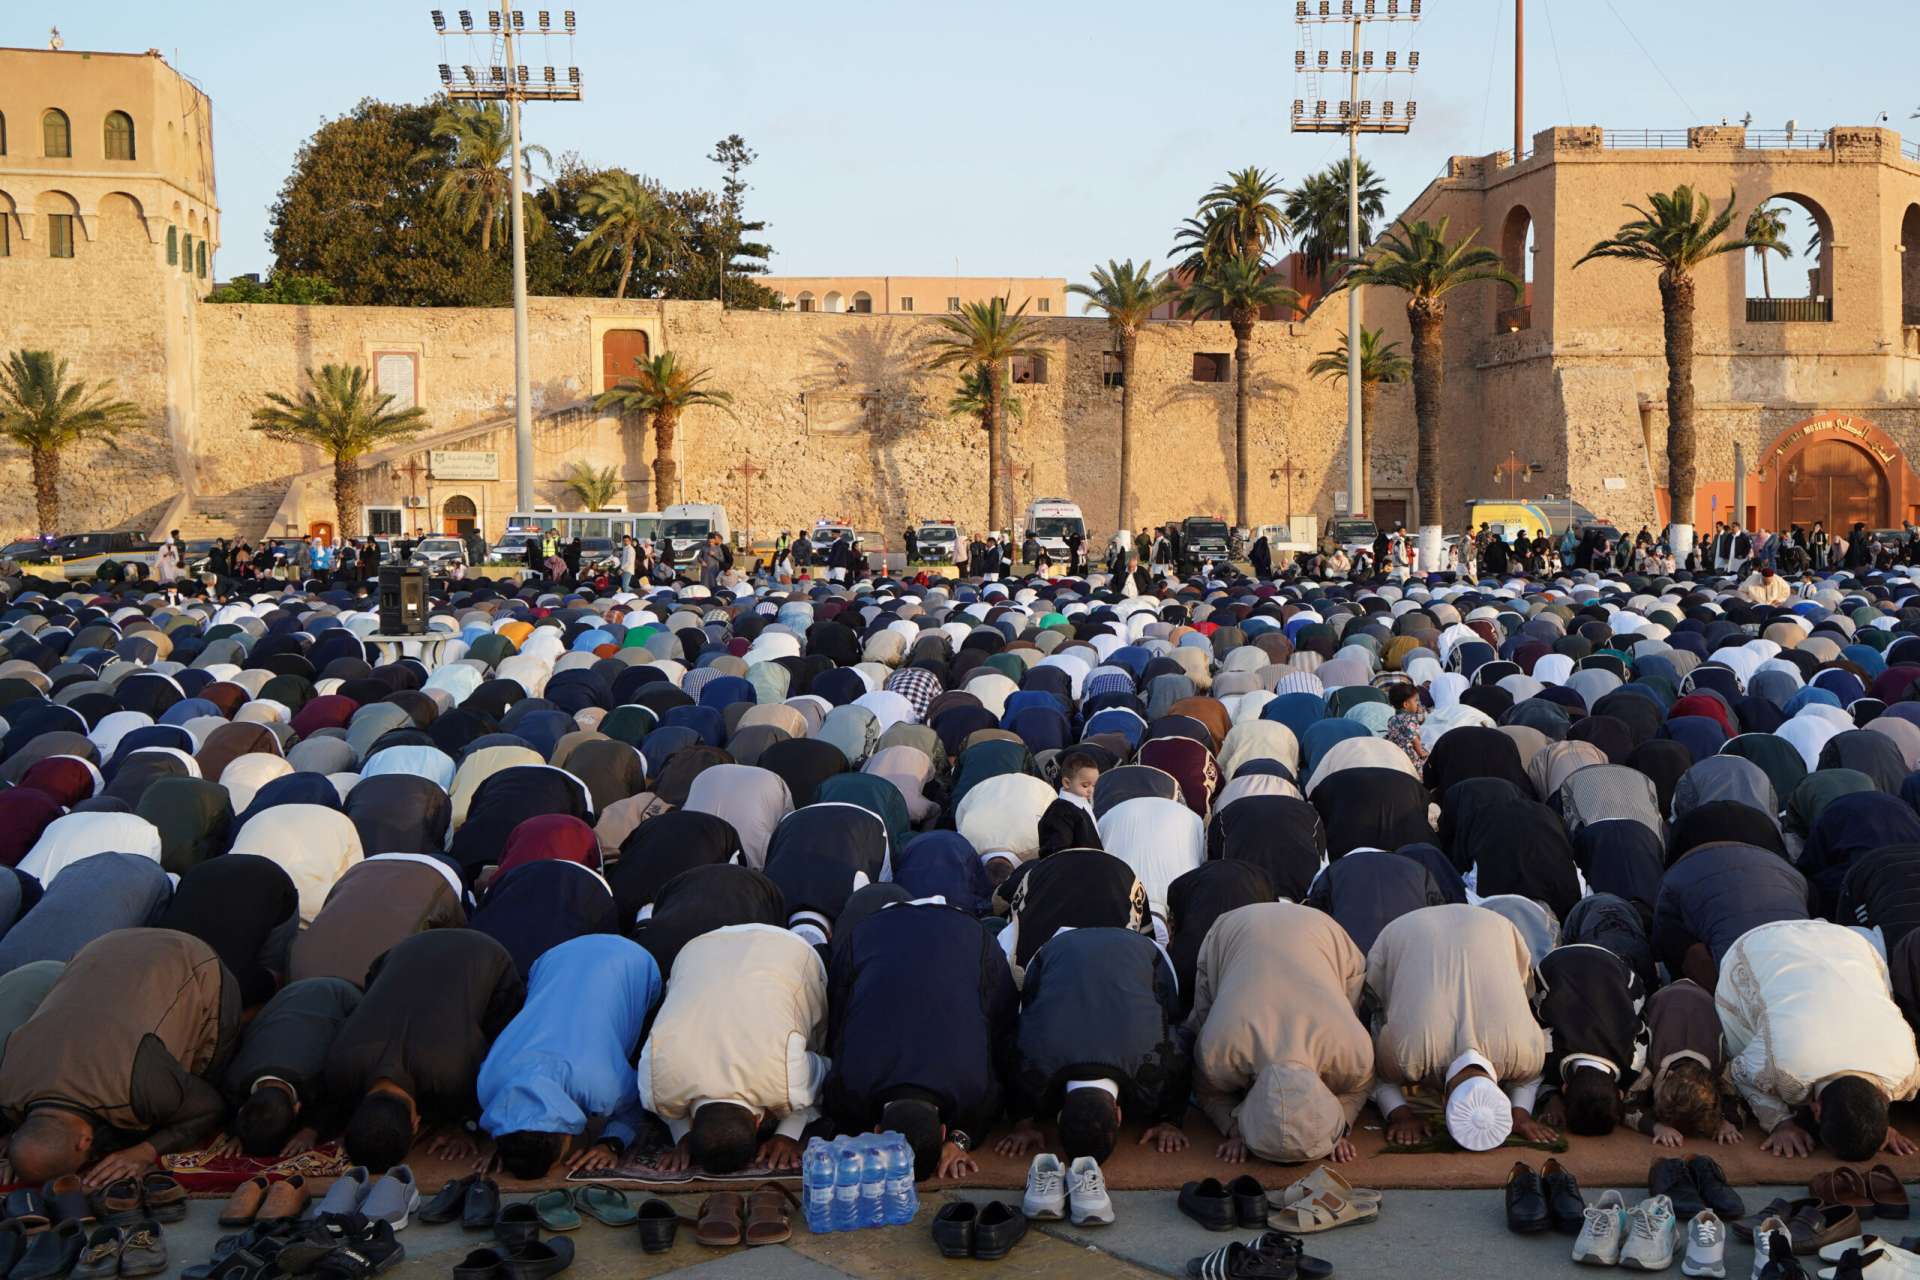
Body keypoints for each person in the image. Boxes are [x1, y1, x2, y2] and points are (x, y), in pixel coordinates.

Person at [0, 929, 238, 1187]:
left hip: (189, 957)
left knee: (199, 1085)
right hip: (100, 946)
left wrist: (145, 1151)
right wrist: (26, 1158)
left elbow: (210, 1106)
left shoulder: (142, 1086)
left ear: (84, 1142)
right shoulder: (7, 1086)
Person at [823, 898, 1017, 1180]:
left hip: (948, 931)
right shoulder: (849, 1086)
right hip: (905, 929)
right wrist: (960, 1141)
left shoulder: (974, 1086)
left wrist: (959, 1140)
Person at [1716, 918, 1920, 1159]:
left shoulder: (1906, 1072)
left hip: (1847, 941)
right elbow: (1740, 1071)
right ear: (1816, 1110)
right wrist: (1779, 1122)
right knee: (1746, 1051)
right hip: (1756, 946)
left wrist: (1873, 1125)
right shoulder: (1784, 1069)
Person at [323, 929, 525, 1171]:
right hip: (404, 949)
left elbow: (491, 1084)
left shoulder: (453, 1077)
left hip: (487, 955)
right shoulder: (339, 1067)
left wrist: (465, 1127)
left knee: (505, 1038)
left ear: (416, 1122)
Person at [1189, 902, 1373, 1165]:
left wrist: (1338, 1127)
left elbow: (1362, 1085)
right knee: (1203, 1019)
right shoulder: (1216, 1049)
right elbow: (1206, 1089)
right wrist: (1232, 1127)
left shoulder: (1352, 1049)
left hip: (1321, 929)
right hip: (1239, 928)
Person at [638, 922, 828, 1174]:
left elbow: (826, 1068)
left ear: (758, 1123)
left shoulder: (786, 1081)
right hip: (699, 950)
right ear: (757, 1123)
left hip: (790, 949)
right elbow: (663, 1103)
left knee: (813, 1041)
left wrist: (787, 1133)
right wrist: (788, 1132)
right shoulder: (655, 1085)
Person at [994, 926, 1191, 1163]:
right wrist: (1022, 1124)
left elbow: (1181, 1041)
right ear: (1119, 1115)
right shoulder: (1029, 1066)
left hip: (1104, 949)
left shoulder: (1158, 1065)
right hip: (1067, 948)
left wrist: (1170, 1121)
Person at [1367, 904, 1552, 1149]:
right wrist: (1401, 1115)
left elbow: (1528, 1078)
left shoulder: (1524, 1055)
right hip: (1405, 930)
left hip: (1493, 924)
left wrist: (1521, 1114)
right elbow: (1374, 1075)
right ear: (1443, 1102)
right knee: (1377, 1014)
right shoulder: (1406, 1057)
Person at [478, 935, 662, 1177]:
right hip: (552, 958)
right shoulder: (487, 1088)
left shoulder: (601, 1085)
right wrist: (502, 1138)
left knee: (642, 1047)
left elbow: (638, 1099)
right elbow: (510, 1119)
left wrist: (612, 1144)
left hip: (633, 960)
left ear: (565, 1139)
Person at [219, 976, 363, 1157]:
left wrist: (311, 1130)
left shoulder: (320, 1075)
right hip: (292, 993)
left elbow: (340, 1102)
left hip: (341, 994)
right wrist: (243, 1132)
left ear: (297, 1108)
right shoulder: (233, 1080)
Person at [1531, 941, 1648, 1137]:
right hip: (1557, 962)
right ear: (1564, 1087)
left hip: (1608, 963)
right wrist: (1550, 1095)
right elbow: (1530, 1076)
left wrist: (1550, 1097)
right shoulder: (1548, 1050)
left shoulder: (1633, 1061)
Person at [1621, 978, 1743, 1147]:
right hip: (1663, 996)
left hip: (1702, 998)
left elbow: (1741, 1101)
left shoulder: (1720, 1063)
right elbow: (1626, 1106)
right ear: (1666, 1076)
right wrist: (1655, 1126)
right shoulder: (1651, 1062)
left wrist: (1726, 1121)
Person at [1037, 748, 1103, 857]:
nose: (1091, 790)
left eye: (1093, 785)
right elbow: (1058, 851)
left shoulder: (1082, 803)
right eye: (1085, 785)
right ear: (1067, 783)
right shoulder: (1060, 812)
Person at [1383, 680, 1427, 767]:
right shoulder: (1409, 719)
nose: (1417, 704)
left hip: (1395, 753)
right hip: (1410, 756)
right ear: (1406, 704)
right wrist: (1421, 753)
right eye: (1415, 701)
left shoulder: (1392, 719)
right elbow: (1414, 739)